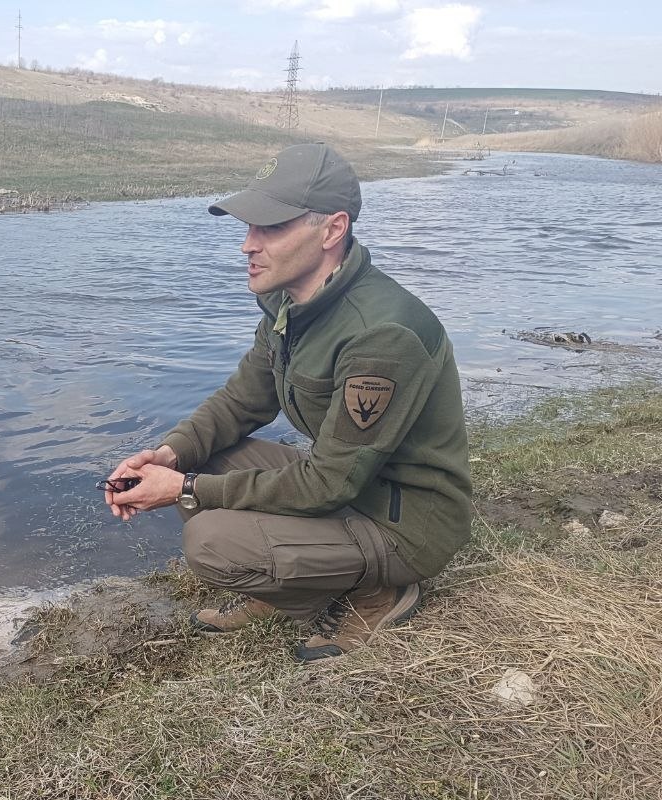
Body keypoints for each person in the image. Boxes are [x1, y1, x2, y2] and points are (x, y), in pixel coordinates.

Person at [103, 142, 471, 662]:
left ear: (332, 230)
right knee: (202, 455)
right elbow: (241, 401)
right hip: (353, 488)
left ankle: (380, 590)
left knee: (210, 539)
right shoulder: (290, 303)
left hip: (403, 523)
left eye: (271, 228)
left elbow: (329, 482)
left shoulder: (381, 335)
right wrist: (169, 457)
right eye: (249, 227)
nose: (248, 246)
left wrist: (183, 489)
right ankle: (289, 587)